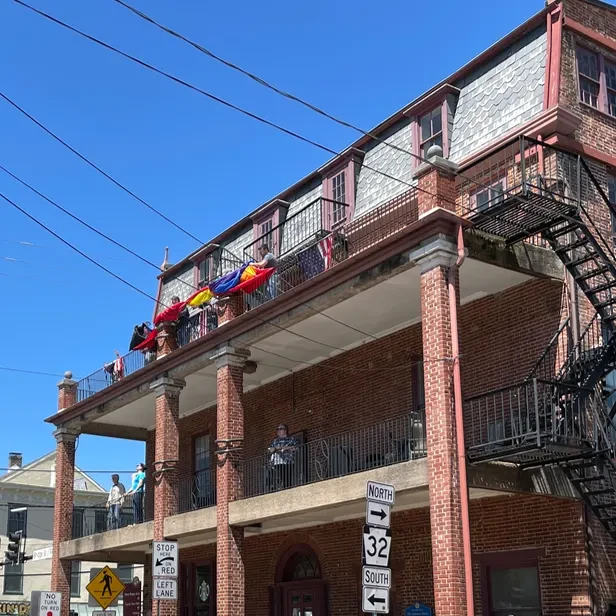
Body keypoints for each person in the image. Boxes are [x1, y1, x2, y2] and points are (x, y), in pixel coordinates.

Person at [267, 424, 298, 491]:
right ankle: (282, 488)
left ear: (285, 430)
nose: (278, 430)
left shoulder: (291, 439)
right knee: (280, 476)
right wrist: (273, 449)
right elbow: (270, 449)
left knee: (287, 477)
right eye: (277, 429)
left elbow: (297, 447)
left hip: (288, 461)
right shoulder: (275, 441)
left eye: (280, 429)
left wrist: (284, 448)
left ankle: (287, 490)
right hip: (277, 462)